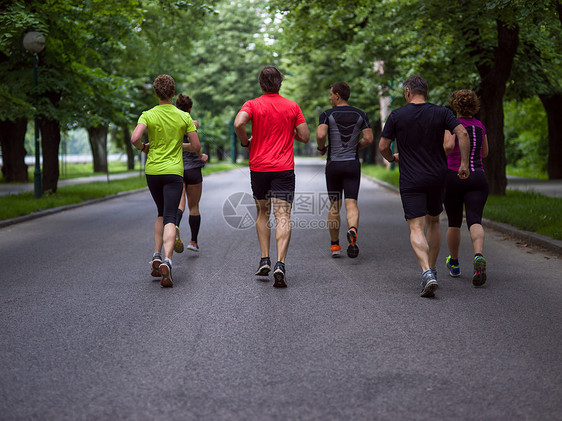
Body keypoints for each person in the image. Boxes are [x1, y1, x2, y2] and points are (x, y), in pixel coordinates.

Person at [378, 75, 470, 298]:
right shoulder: (442, 113)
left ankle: (426, 272)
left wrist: (392, 158)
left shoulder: (398, 115)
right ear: (425, 91)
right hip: (437, 176)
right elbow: (462, 133)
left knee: (416, 227)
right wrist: (464, 163)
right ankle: (433, 268)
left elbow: (383, 146)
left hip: (411, 178)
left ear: (408, 91)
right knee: (434, 222)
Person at [234, 66, 310, 288]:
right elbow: (305, 137)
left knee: (262, 213)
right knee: (283, 215)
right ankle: (280, 264)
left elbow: (239, 123)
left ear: (260, 84)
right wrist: (290, 130)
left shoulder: (252, 105)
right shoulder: (292, 106)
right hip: (283, 168)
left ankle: (264, 258)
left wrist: (245, 142)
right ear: (280, 83)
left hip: (259, 168)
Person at [130, 75, 201, 288]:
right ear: (173, 93)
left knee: (160, 213)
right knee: (171, 215)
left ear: (156, 93)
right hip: (173, 172)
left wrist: (144, 148)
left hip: (152, 171)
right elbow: (196, 146)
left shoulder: (148, 115)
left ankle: (156, 255)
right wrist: (183, 146)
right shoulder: (183, 117)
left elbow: (135, 139)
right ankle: (168, 261)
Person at [316, 82, 373, 258]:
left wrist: (321, 148)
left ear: (338, 95)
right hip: (352, 164)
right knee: (351, 203)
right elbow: (369, 138)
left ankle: (335, 246)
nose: (329, 97)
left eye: (331, 94)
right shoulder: (360, 114)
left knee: (334, 206)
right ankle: (353, 230)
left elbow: (320, 135)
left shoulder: (327, 114)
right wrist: (355, 147)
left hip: (334, 164)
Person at [443, 89, 489, 287]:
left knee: (454, 222)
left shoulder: (451, 125)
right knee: (475, 220)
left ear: (455, 106)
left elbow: (447, 147)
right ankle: (478, 256)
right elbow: (485, 153)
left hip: (454, 176)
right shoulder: (480, 126)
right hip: (478, 177)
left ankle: (454, 263)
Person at [173, 94, 209, 254]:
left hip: (177, 168)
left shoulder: (172, 125)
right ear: (190, 108)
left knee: (179, 205)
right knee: (194, 206)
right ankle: (193, 242)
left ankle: (174, 227)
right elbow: (196, 144)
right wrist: (201, 157)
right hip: (193, 169)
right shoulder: (192, 122)